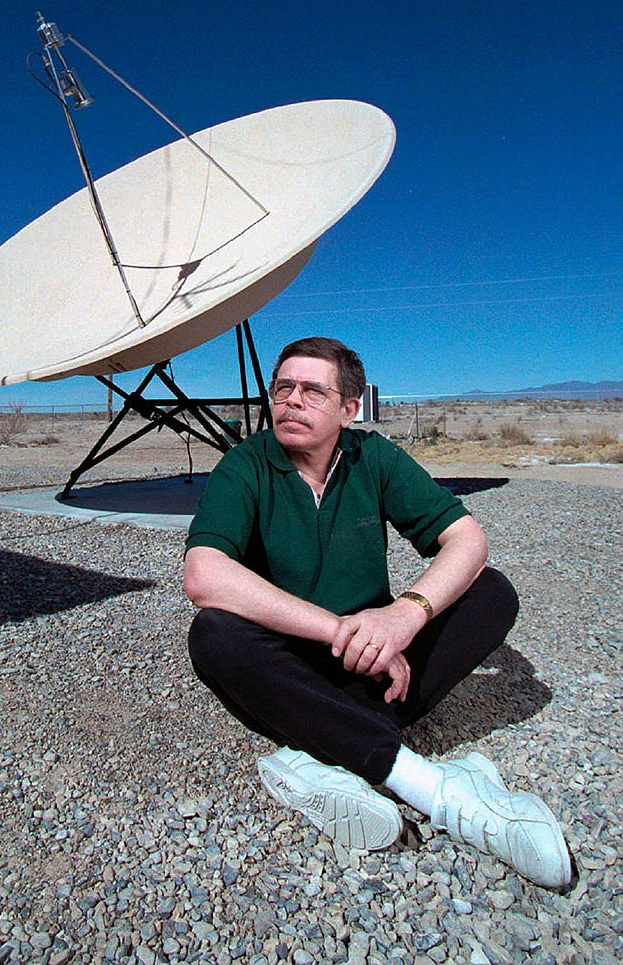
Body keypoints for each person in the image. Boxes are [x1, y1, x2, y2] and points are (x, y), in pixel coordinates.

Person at [184, 337, 571, 891]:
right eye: (283, 389)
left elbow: (466, 539)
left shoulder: (374, 457)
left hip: (375, 661)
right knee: (214, 634)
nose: (291, 401)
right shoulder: (247, 466)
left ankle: (316, 753)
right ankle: (441, 791)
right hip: (289, 665)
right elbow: (204, 573)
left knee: (492, 593)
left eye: (312, 391)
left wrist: (404, 618)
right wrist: (340, 630)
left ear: (348, 407)